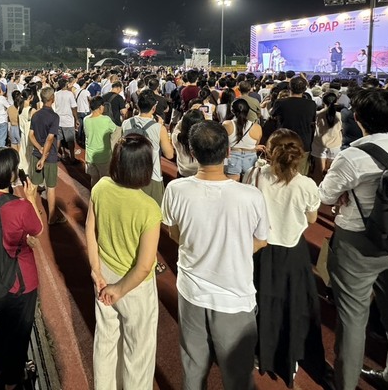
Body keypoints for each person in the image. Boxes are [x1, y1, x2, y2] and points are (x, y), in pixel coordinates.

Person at [319, 89, 388, 390]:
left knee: (353, 317)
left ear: (359, 118)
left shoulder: (353, 155)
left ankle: (345, 384)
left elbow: (325, 195)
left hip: (358, 241)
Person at [161, 121, 269, 390]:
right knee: (238, 375)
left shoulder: (176, 190)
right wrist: (234, 251)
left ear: (192, 153)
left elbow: (173, 232)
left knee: (193, 367)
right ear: (228, 152)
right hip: (234, 296)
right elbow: (261, 240)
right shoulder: (251, 196)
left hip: (192, 292)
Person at [245, 129, 327, 387]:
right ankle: (289, 358)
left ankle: (259, 353)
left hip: (260, 249)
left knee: (259, 300)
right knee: (293, 304)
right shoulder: (306, 185)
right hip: (293, 251)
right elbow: (313, 218)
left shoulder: (255, 175)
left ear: (268, 152)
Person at [86, 133, 161, 390]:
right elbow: (143, 266)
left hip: (104, 275)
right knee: (137, 355)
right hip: (135, 288)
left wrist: (96, 271)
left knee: (105, 342)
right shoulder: (149, 208)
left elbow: (89, 230)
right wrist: (119, 289)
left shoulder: (101, 187)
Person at [0, 147, 44, 390]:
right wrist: (31, 199)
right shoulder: (19, 206)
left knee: (2, 323)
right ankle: (13, 379)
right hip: (20, 278)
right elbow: (37, 229)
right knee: (19, 330)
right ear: (10, 176)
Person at [120, 90, 174, 205]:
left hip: (130, 171)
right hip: (151, 175)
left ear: (137, 105)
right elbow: (169, 154)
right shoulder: (159, 128)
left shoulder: (126, 123)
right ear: (154, 108)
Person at [28, 87, 63, 224]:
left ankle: (32, 212)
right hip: (50, 155)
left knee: (34, 184)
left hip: (37, 153)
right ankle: (52, 217)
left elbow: (31, 135)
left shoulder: (35, 115)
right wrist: (44, 155)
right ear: (52, 99)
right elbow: (50, 138)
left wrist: (39, 148)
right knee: (51, 187)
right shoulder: (54, 117)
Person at [271, 76, 316, 174]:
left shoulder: (280, 103)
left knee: (281, 173)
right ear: (305, 89)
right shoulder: (311, 104)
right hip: (304, 142)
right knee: (301, 174)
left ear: (289, 87)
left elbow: (272, 115)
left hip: (284, 141)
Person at [83, 95, 119, 188]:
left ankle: (94, 197)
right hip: (104, 156)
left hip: (90, 156)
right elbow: (115, 129)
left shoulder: (86, 119)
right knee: (105, 180)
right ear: (100, 107)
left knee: (94, 179)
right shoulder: (106, 120)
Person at [222, 99, 262, 181]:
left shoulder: (227, 124)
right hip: (250, 158)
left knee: (232, 187)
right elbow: (256, 144)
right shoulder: (257, 127)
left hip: (232, 157)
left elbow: (223, 143)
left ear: (232, 111)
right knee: (248, 185)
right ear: (248, 111)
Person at [312, 91, 343, 183]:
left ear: (323, 102)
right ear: (336, 101)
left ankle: (317, 192)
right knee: (331, 172)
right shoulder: (340, 116)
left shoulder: (317, 115)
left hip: (319, 144)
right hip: (335, 144)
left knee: (318, 171)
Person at [171, 109, 204, 177]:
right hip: (200, 174)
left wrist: (185, 116)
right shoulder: (205, 139)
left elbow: (177, 127)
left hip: (183, 173)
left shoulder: (177, 138)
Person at [53, 78, 79, 162]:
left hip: (58, 119)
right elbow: (74, 107)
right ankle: (72, 157)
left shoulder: (56, 94)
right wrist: (76, 119)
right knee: (70, 141)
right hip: (68, 120)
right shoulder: (69, 94)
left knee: (58, 139)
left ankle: (56, 155)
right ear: (66, 84)